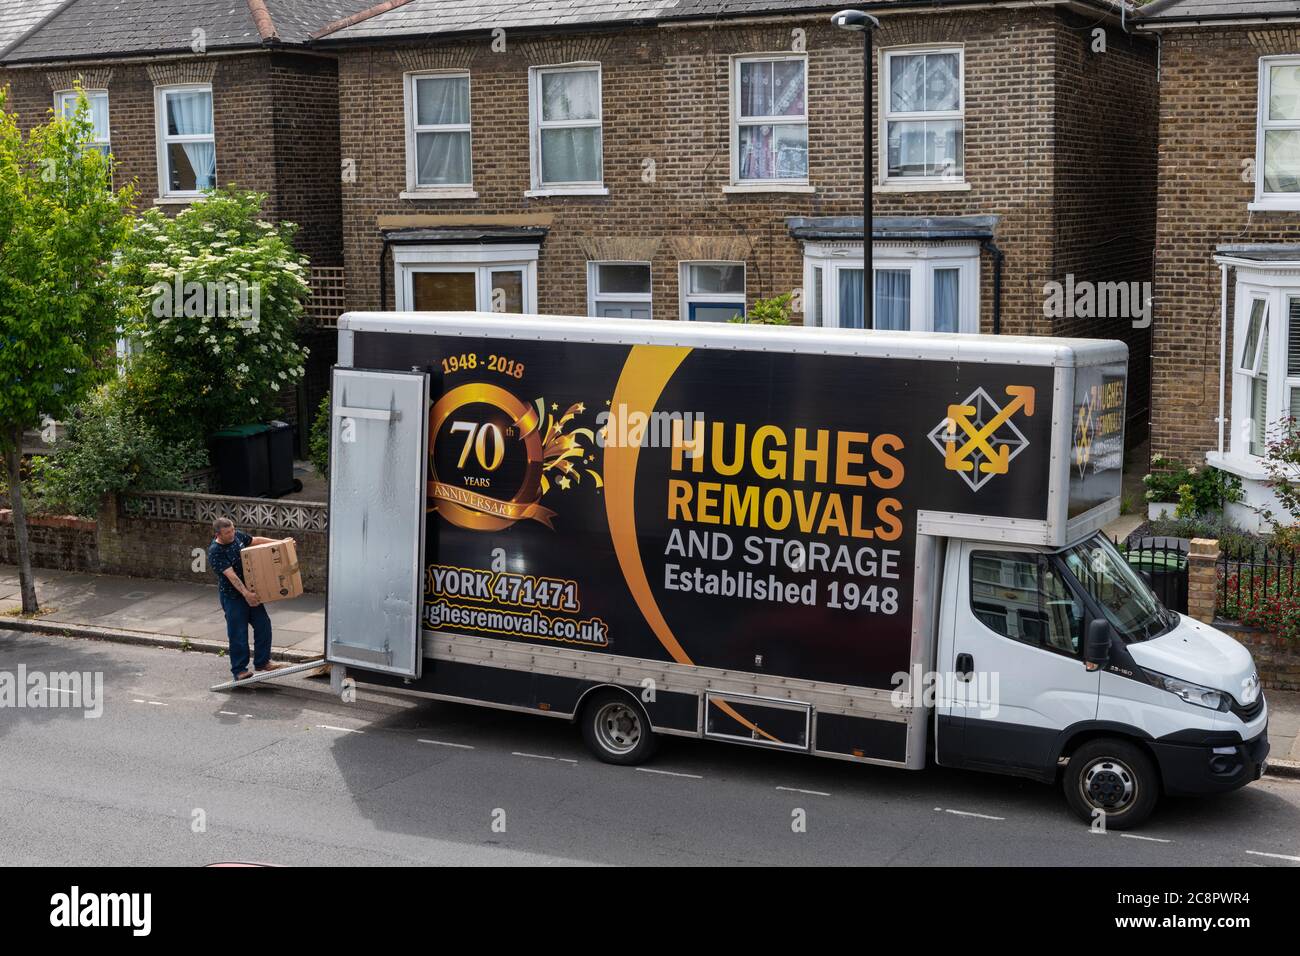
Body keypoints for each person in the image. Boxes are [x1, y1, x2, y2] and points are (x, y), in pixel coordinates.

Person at [208, 516, 293, 681]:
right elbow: (231, 576)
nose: (232, 534)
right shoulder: (215, 551)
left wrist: (281, 543)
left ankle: (262, 662)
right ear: (218, 534)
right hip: (233, 598)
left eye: (233, 529)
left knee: (263, 625)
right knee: (238, 634)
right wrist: (246, 594)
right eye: (228, 532)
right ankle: (239, 670)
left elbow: (255, 540)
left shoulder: (237, 536)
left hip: (251, 593)